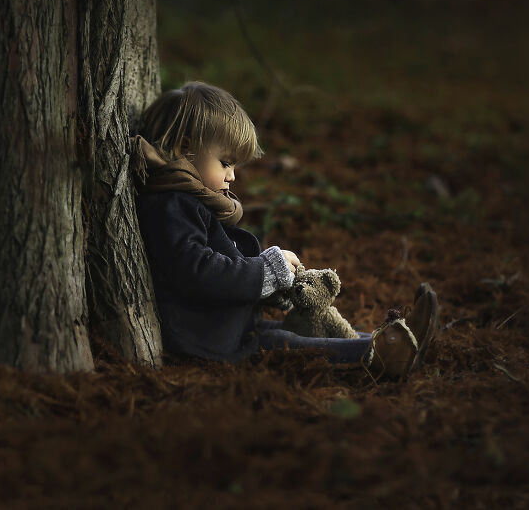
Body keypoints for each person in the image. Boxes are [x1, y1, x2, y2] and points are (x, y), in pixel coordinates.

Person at [130, 81, 439, 380]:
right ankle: (383, 354)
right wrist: (265, 272)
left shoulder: (187, 202)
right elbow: (198, 271)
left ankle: (389, 341)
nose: (232, 177)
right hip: (207, 340)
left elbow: (218, 266)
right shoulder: (172, 204)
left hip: (225, 327)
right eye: (225, 163)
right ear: (185, 148)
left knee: (296, 331)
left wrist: (272, 285)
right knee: (291, 345)